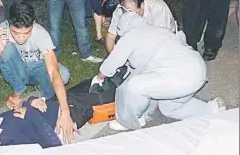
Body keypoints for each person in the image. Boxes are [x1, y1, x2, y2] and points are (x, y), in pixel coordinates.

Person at [91, 12, 227, 131]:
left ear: (123, 29)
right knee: (169, 107)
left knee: (134, 86)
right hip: (198, 70)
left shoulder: (131, 35)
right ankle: (211, 109)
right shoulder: (158, 30)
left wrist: (100, 77)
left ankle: (130, 121)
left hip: (181, 77)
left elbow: (112, 63)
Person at [0, 2, 75, 144]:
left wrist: (65, 112)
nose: (21, 38)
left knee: (64, 75)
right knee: (7, 50)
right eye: (16, 33)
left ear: (33, 25)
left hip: (36, 68)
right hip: (16, 71)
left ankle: (37, 96)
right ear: (8, 24)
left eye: (26, 33)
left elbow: (54, 72)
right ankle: (19, 91)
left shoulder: (39, 33)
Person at [105, 0, 176, 53]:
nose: (130, 16)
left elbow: (160, 40)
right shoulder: (120, 10)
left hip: (163, 40)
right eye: (127, 12)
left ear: (142, 5)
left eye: (133, 13)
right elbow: (111, 36)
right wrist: (114, 59)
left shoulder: (158, 8)